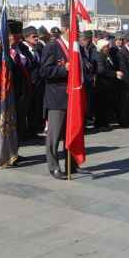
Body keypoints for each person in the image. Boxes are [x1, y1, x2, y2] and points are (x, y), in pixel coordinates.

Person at [39, 15, 84, 179]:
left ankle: (71, 164)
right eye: (75, 27)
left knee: (71, 133)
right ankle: (54, 166)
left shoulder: (76, 47)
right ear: (65, 29)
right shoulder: (52, 46)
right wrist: (64, 68)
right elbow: (44, 71)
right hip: (57, 98)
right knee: (54, 136)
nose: (78, 31)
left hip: (73, 97)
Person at [19, 26, 44, 138]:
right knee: (26, 109)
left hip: (38, 84)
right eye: (34, 36)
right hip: (28, 84)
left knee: (35, 109)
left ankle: (33, 131)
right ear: (26, 38)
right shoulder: (23, 50)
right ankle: (24, 132)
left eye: (37, 36)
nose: (37, 38)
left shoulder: (38, 49)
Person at [94, 39, 118, 130]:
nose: (108, 48)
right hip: (102, 84)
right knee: (101, 105)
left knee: (107, 104)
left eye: (108, 46)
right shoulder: (100, 56)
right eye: (106, 47)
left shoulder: (108, 56)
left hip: (109, 84)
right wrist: (114, 73)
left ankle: (105, 123)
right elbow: (101, 70)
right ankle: (100, 124)